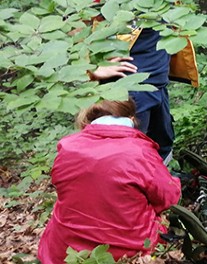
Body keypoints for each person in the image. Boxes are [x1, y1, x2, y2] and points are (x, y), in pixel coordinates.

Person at [88, 0, 207, 164]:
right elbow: (79, 14)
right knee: (131, 151)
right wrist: (92, 70)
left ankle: (162, 192)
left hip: (158, 85)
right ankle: (137, 199)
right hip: (131, 87)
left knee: (163, 142)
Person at [37, 99, 181, 263]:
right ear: (132, 118)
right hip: (127, 250)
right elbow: (168, 198)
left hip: (64, 251)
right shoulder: (140, 151)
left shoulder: (67, 147)